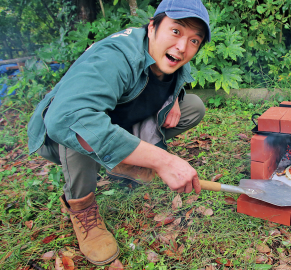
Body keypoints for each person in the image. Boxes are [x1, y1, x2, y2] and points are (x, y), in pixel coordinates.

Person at [27, 0, 211, 265]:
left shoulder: (172, 57)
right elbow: (67, 118)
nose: (182, 47)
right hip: (59, 136)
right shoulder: (115, 55)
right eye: (176, 31)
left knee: (193, 106)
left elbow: (178, 74)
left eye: (195, 41)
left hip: (117, 118)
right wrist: (163, 161)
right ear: (152, 28)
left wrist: (174, 98)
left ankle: (123, 159)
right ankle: (82, 209)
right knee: (82, 122)